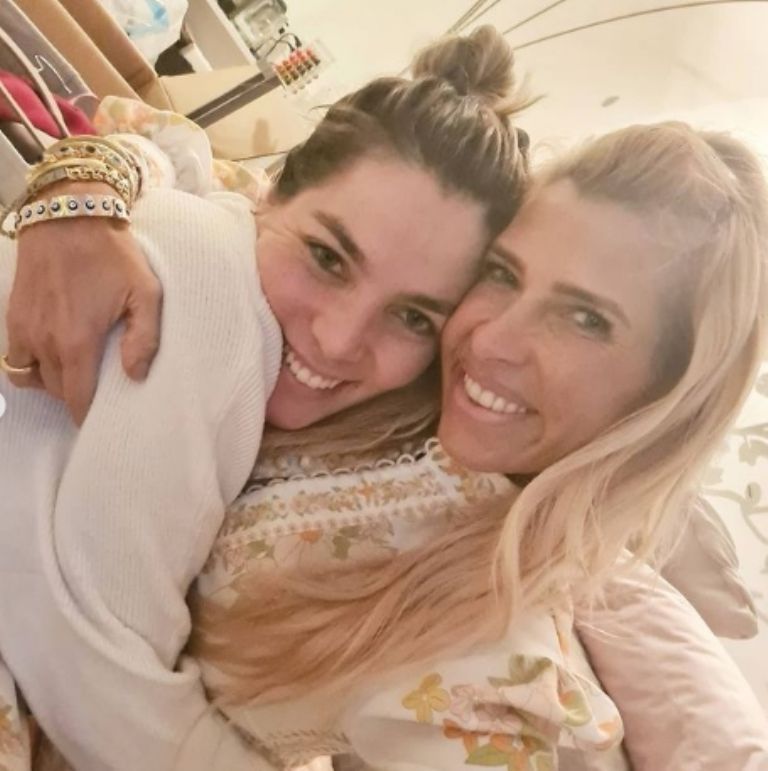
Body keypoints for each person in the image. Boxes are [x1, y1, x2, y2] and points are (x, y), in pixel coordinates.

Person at [0, 27, 530, 771]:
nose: (339, 339)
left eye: (414, 317)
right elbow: (86, 654)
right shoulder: (215, 290)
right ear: (272, 191)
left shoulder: (213, 244)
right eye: (327, 257)